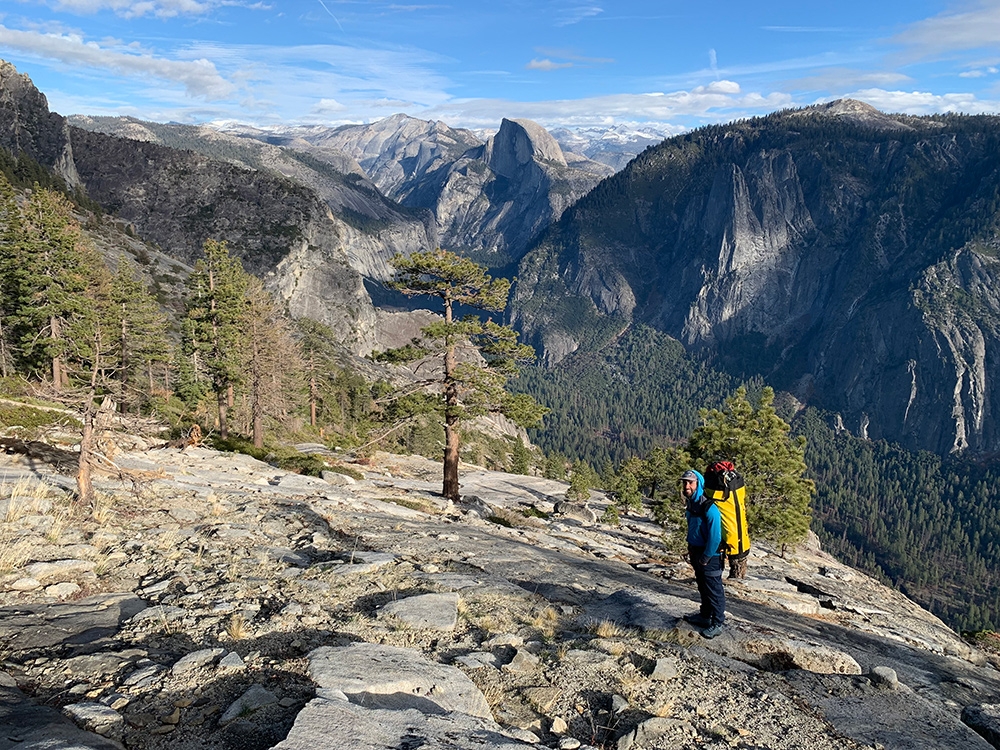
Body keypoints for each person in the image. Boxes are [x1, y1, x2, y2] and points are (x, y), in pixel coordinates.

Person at [680, 469, 726, 638]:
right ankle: (705, 616)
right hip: (696, 552)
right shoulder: (692, 504)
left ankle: (718, 622)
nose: (686, 486)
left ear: (698, 483)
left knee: (714, 589)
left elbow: (715, 536)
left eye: (690, 482)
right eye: (684, 482)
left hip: (710, 556)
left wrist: (706, 556)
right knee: (703, 586)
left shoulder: (709, 507)